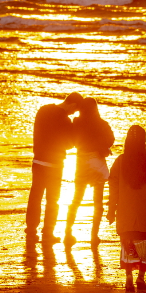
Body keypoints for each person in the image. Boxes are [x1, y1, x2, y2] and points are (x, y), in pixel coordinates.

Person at [107, 125, 146, 292]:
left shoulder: (120, 162)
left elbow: (113, 188)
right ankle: (141, 278)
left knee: (128, 243)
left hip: (127, 214)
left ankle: (128, 279)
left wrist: (111, 210)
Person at [25, 91, 84, 245]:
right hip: (54, 164)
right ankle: (47, 233)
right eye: (75, 110)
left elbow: (37, 133)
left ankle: (31, 231)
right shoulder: (65, 121)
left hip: (38, 160)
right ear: (72, 105)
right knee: (52, 200)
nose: (73, 113)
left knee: (35, 197)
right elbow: (71, 144)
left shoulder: (43, 110)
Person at [64, 97, 114, 247]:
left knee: (76, 199)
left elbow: (72, 141)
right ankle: (94, 235)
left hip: (81, 163)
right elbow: (111, 139)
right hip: (96, 162)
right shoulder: (102, 123)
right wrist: (101, 147)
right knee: (97, 202)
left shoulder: (77, 122)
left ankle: (67, 232)